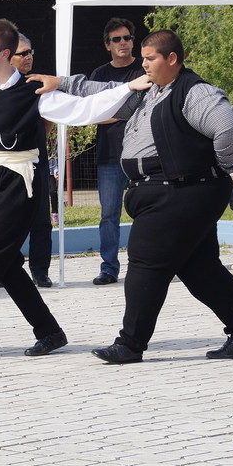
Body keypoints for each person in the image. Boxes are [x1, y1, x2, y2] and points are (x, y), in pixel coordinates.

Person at [0, 20, 146, 361]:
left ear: (4, 53)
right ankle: (49, 331)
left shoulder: (33, 91)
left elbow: (84, 108)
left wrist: (127, 88)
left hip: (19, 184)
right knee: (6, 263)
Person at [51, 29, 233, 363]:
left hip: (182, 191)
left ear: (172, 59)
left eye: (150, 58)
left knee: (145, 262)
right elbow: (106, 92)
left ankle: (130, 344)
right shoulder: (149, 89)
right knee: (200, 268)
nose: (144, 65)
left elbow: (231, 129)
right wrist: (61, 83)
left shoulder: (195, 92)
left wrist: (224, 163)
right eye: (144, 59)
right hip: (165, 190)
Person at [89, 18, 144, 286]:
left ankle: (146, 264)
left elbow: (148, 109)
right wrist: (126, 111)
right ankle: (109, 268)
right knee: (109, 214)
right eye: (116, 39)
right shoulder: (99, 75)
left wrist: (112, 111)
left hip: (142, 154)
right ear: (107, 45)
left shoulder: (144, 69)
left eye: (127, 37)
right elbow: (91, 112)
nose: (123, 43)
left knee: (147, 212)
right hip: (110, 155)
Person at [10, 34, 53, 288]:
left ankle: (40, 271)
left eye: (30, 52)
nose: (28, 57)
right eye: (22, 53)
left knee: (41, 220)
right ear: (8, 56)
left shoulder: (38, 84)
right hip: (10, 163)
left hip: (38, 161)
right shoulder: (2, 86)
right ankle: (8, 269)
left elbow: (48, 120)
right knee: (10, 220)